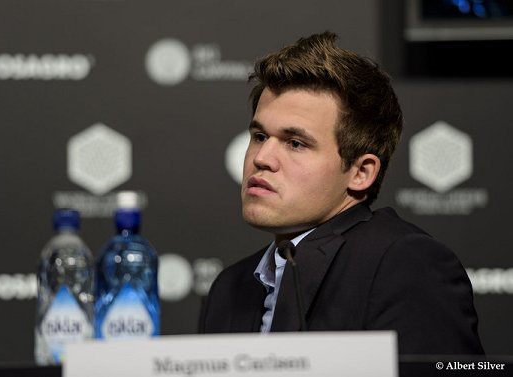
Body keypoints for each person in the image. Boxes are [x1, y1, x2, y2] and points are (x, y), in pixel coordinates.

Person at [199, 31, 484, 355]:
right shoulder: (230, 287)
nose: (261, 158)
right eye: (260, 135)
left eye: (296, 143)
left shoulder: (404, 264)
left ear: (361, 172)